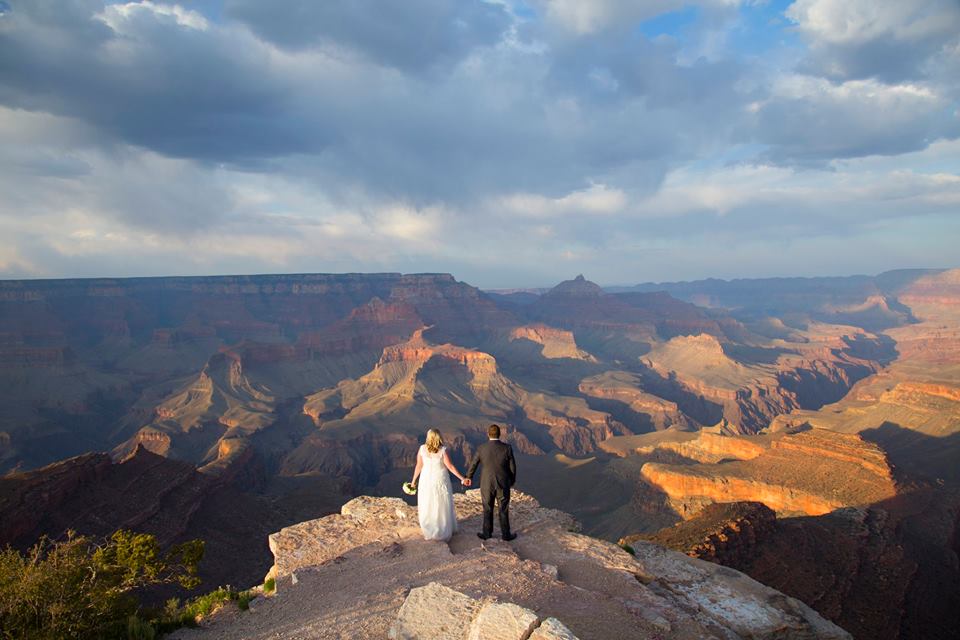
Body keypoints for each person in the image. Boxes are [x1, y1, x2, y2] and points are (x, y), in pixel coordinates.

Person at [409, 428, 469, 541]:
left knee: (428, 502)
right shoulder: (443, 450)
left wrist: (413, 482)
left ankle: (429, 527)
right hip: (440, 479)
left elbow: (418, 466)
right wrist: (462, 478)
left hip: (426, 479)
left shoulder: (422, 449)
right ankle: (442, 528)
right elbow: (450, 467)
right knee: (441, 503)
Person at [465, 423, 517, 541]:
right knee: (503, 509)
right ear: (499, 434)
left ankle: (487, 533)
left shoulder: (481, 448)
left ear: (488, 434)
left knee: (487, 508)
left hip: (486, 483)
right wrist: (511, 480)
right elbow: (512, 467)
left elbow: (473, 464)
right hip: (503, 483)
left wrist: (468, 477)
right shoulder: (507, 448)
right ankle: (506, 535)